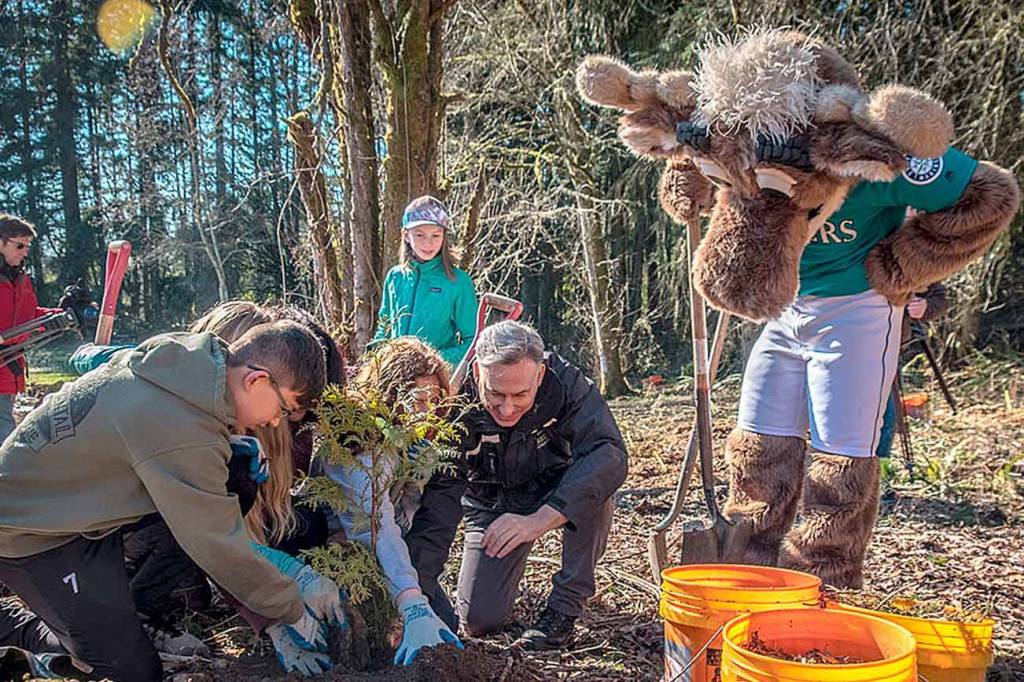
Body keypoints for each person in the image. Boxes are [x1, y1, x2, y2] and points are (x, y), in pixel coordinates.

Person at [0, 321, 332, 681]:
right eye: (283, 410)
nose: (273, 423)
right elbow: (215, 542)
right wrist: (290, 608)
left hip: (84, 510)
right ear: (256, 381)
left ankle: (134, 608)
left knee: (235, 474)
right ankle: (19, 625)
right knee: (130, 670)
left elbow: (159, 446)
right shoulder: (181, 427)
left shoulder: (191, 365)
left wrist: (225, 448)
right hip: (32, 531)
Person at [405, 320, 628, 650]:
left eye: (520, 395)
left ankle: (563, 609)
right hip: (490, 503)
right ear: (478, 373)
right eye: (495, 394)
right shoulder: (455, 401)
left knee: (594, 486)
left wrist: (538, 521)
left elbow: (608, 454)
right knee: (480, 620)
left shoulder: (565, 382)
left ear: (539, 375)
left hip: (556, 488)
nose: (507, 409)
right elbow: (442, 500)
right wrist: (418, 595)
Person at [323, 337, 463, 665]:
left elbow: (403, 520)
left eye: (434, 402)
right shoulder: (360, 446)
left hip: (389, 551)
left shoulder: (410, 443)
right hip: (341, 554)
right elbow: (374, 527)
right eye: (416, 401)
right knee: (370, 645)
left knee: (448, 624)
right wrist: (412, 602)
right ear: (389, 396)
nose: (426, 413)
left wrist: (416, 480)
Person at [371, 196, 478, 367]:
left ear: (444, 237)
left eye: (436, 235)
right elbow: (383, 330)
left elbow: (473, 341)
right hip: (393, 375)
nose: (428, 243)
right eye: (419, 235)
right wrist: (375, 359)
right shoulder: (395, 277)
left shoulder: (457, 282)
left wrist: (435, 361)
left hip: (436, 380)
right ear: (406, 235)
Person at [0, 215, 64, 443]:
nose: (25, 252)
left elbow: (28, 315)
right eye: (19, 245)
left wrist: (63, 315)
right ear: (1, 242)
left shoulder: (20, 279)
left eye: (27, 246)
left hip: (8, 369)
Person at [876, 282, 949, 458]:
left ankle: (879, 470)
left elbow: (939, 298)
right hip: (839, 348)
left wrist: (926, 307)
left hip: (888, 349)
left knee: (887, 416)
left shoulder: (903, 258)